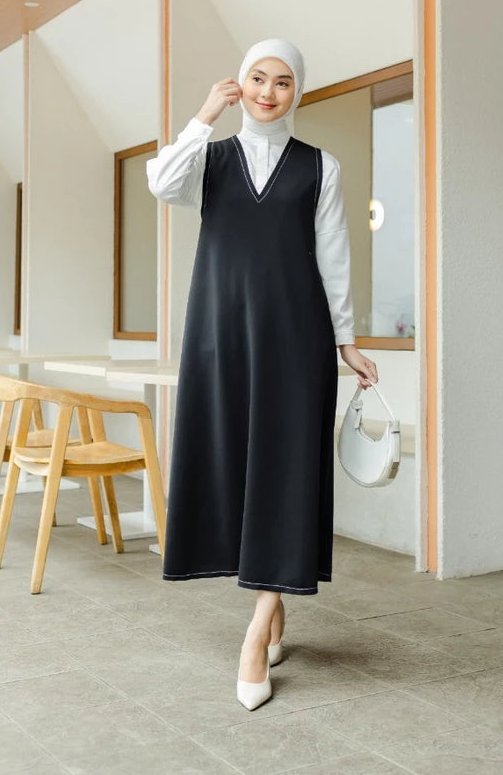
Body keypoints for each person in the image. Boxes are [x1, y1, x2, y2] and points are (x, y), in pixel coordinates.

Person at [147, 38, 379, 711]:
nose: (268, 92)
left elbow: (333, 255)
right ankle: (272, 606)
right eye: (256, 78)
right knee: (228, 464)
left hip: (296, 338)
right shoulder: (210, 158)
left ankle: (256, 632)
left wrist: (346, 341)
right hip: (219, 334)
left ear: (296, 91)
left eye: (282, 81)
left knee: (284, 473)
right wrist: (202, 116)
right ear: (239, 84)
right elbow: (161, 184)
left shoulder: (319, 166)